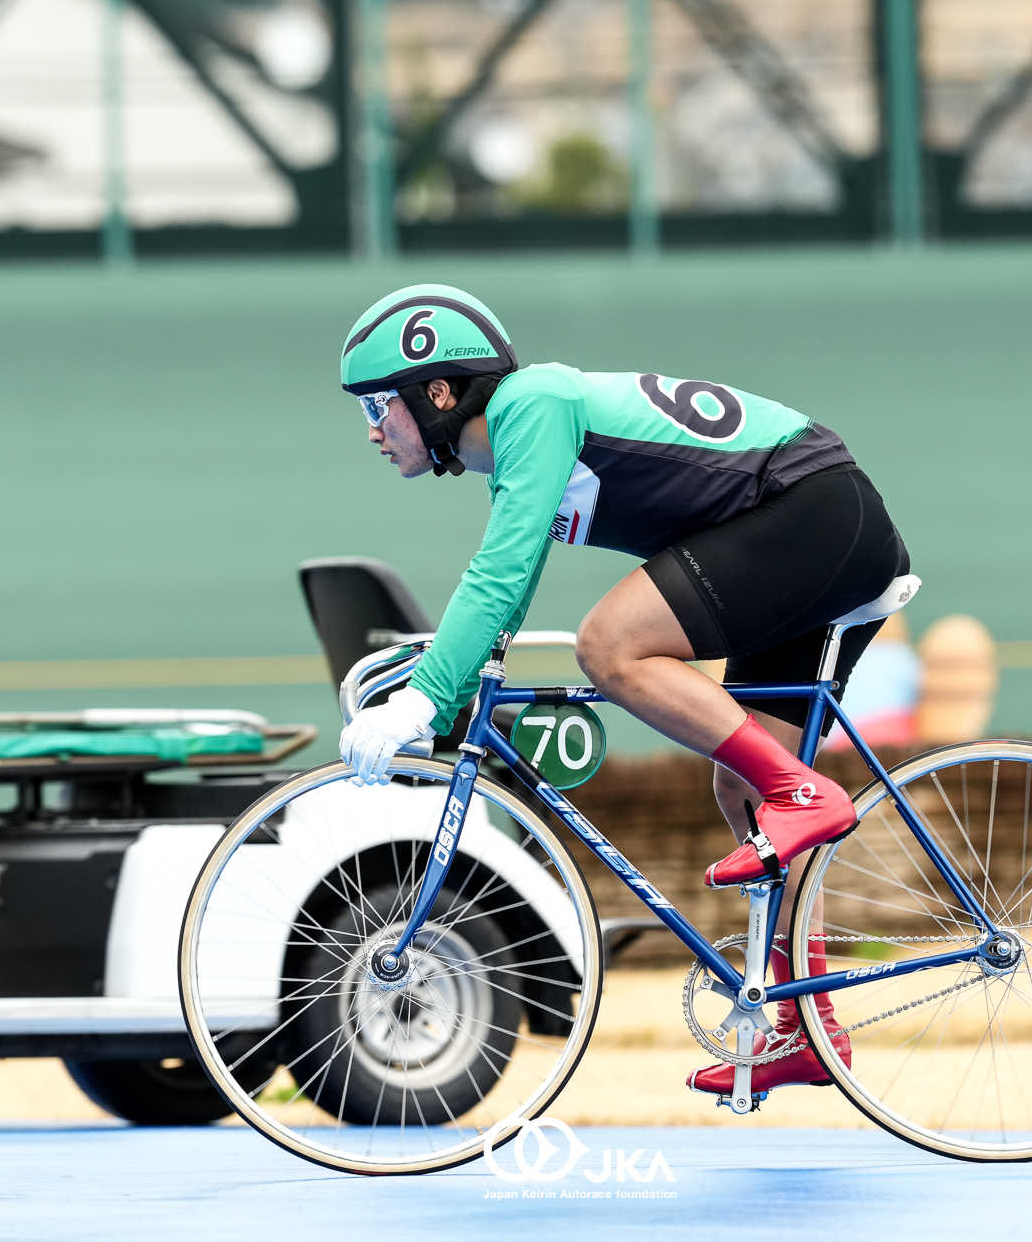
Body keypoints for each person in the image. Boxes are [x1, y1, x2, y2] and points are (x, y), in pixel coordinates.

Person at [334, 284, 910, 1096]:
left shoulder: (531, 402)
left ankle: (804, 788)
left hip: (811, 511)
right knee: (744, 785)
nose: (371, 430)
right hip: (807, 522)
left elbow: (503, 570)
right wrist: (436, 672)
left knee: (608, 645)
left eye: (377, 405)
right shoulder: (512, 440)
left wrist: (424, 697)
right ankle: (807, 1024)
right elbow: (509, 576)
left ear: (437, 391)